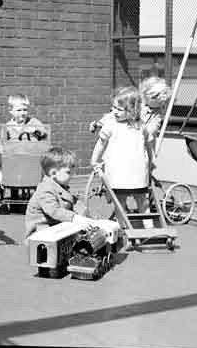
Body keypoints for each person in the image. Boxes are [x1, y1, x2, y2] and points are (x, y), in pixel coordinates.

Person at [90, 86, 152, 214]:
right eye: (113, 107)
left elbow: (147, 145)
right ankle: (127, 227)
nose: (115, 111)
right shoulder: (111, 124)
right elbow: (101, 143)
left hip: (135, 172)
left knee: (141, 201)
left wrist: (150, 161)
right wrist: (94, 160)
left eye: (119, 109)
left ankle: (146, 226)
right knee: (123, 202)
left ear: (132, 110)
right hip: (120, 172)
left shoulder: (140, 126)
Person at [25, 146, 95, 242]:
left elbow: (74, 201)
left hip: (56, 229)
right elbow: (54, 211)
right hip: (41, 236)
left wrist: (87, 216)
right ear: (53, 173)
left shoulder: (60, 185)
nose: (72, 175)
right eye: (68, 172)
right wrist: (75, 218)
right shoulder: (45, 189)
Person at [0, 93, 48, 201]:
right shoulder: (7, 127)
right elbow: (3, 144)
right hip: (14, 160)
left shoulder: (33, 122)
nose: (23, 113)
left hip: (31, 159)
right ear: (11, 111)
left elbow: (44, 135)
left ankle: (35, 197)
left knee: (36, 171)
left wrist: (35, 131)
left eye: (25, 110)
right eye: (19, 110)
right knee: (7, 165)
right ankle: (13, 195)